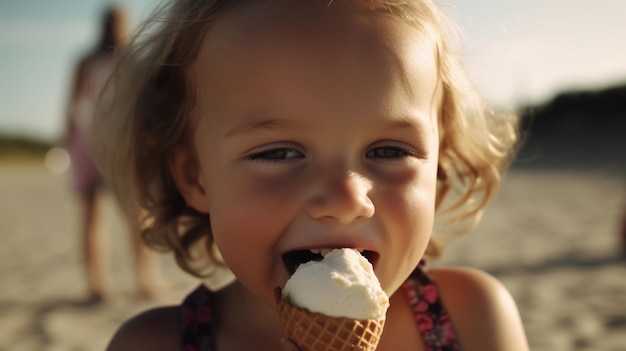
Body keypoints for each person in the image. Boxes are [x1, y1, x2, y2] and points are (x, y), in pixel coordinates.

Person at [94, 0, 529, 349]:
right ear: (195, 176)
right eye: (279, 152)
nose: (345, 198)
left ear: (438, 172)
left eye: (390, 150)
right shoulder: (152, 343)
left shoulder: (472, 318)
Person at [63, 5, 161, 302]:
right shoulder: (134, 59)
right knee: (136, 215)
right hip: (120, 140)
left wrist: (67, 139)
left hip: (91, 138)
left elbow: (73, 106)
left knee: (94, 216)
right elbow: (145, 105)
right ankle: (144, 280)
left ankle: (97, 285)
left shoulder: (88, 61)